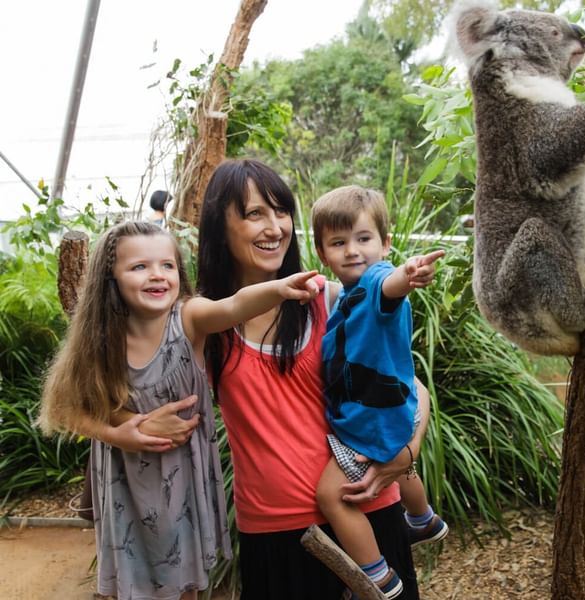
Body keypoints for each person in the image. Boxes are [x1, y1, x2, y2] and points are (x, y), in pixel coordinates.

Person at [37, 220, 320, 600]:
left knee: (183, 583)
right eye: (139, 267)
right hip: (125, 483)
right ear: (111, 276)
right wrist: (119, 432)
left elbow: (233, 306)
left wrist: (279, 289)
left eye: (167, 265)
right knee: (132, 584)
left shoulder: (188, 318)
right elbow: (66, 409)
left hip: (181, 480)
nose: (157, 276)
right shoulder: (100, 337)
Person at [196, 159, 428, 599]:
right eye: (254, 214)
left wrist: (405, 453)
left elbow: (413, 389)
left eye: (281, 211)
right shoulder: (208, 323)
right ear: (219, 225)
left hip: (365, 505)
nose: (274, 227)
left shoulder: (332, 299)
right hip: (274, 527)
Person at [311, 186, 449, 599]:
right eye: (339, 242)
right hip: (390, 404)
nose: (353, 250)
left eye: (364, 238)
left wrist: (406, 276)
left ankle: (379, 576)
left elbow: (389, 287)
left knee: (331, 496)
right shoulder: (345, 295)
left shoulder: (374, 283)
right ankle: (423, 519)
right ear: (322, 252)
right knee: (401, 467)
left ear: (385, 245)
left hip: (373, 416)